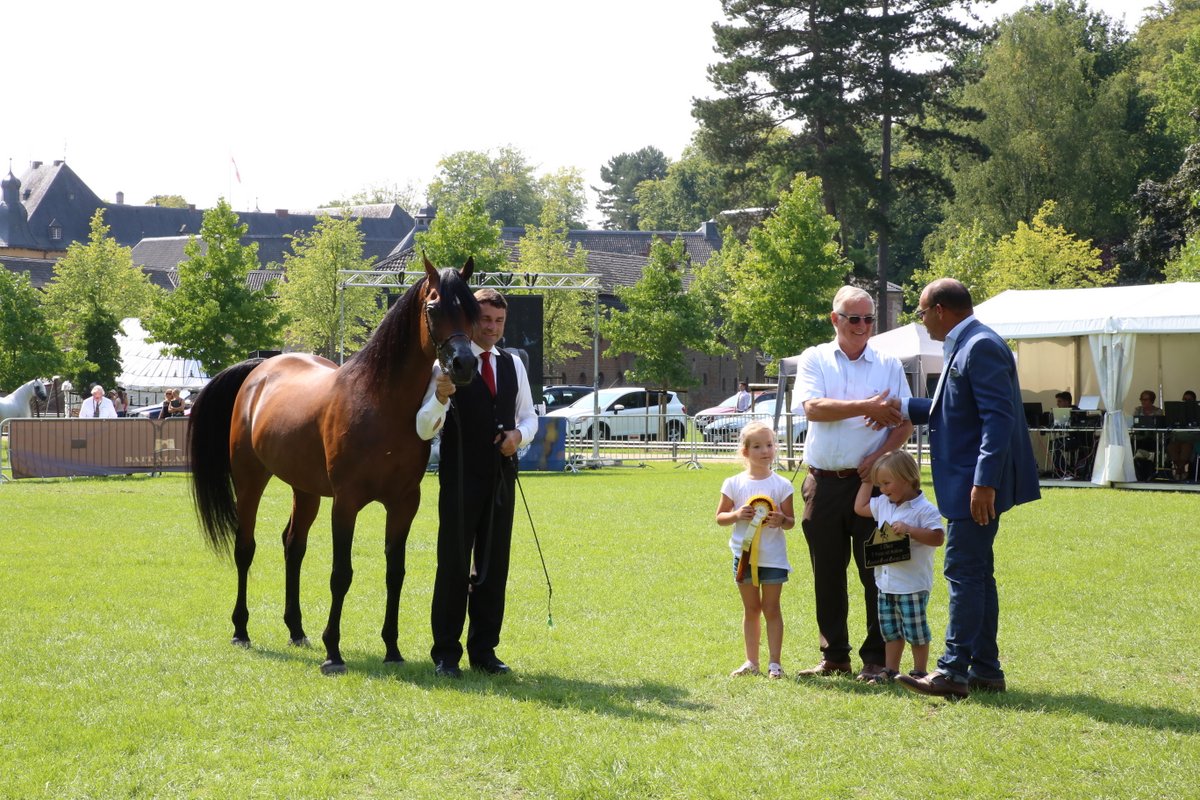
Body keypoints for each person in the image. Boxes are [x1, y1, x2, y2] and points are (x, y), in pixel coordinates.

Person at [893, 278, 1040, 699]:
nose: (920, 321)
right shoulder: (967, 343)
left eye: (921, 312)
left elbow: (998, 420)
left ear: (940, 309)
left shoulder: (981, 346)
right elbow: (950, 411)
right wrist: (899, 407)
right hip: (967, 482)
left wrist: (984, 482)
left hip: (975, 484)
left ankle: (953, 673)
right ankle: (986, 669)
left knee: (963, 571)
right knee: (977, 574)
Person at [792, 285, 913, 683]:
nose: (862, 326)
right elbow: (813, 409)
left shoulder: (889, 363)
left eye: (868, 319)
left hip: (877, 487)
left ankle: (876, 660)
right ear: (835, 319)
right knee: (827, 575)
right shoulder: (815, 359)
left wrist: (878, 459)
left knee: (878, 575)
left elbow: (905, 421)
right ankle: (835, 657)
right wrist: (869, 407)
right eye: (853, 318)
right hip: (823, 484)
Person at [417, 287, 538, 678]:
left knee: (493, 566)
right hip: (459, 477)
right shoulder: (447, 363)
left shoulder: (513, 364)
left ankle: (484, 651)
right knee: (452, 566)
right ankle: (445, 655)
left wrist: (518, 438)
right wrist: (438, 399)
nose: (492, 328)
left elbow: (529, 417)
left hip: (502, 478)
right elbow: (424, 428)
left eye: (499, 321)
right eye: (485, 320)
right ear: (472, 320)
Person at [852, 450, 944, 684]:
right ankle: (890, 670)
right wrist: (866, 481)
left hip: (912, 584)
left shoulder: (924, 509)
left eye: (886, 483)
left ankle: (919, 672)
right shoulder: (884, 503)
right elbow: (860, 507)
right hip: (886, 582)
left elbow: (937, 537)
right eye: (879, 484)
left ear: (907, 478)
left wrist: (910, 530)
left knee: (916, 631)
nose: (882, 489)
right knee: (890, 631)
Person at [715, 421, 796, 679]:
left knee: (772, 609)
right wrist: (737, 514)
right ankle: (751, 661)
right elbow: (720, 517)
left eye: (770, 445)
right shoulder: (733, 483)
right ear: (745, 451)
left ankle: (775, 663)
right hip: (744, 556)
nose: (765, 451)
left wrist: (780, 520)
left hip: (773, 558)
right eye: (758, 446)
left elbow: (791, 522)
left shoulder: (782, 485)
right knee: (751, 610)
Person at [1166, 389, 1199, 481]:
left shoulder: (1197, 412)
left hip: (1192, 439)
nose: (1186, 401)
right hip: (1177, 438)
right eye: (1184, 399)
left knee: (1186, 448)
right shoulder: (1177, 411)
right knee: (1171, 447)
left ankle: (1178, 471)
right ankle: (1182, 470)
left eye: (1189, 400)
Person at [1132, 389, 1164, 480]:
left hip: (1153, 438)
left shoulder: (1158, 411)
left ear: (1152, 400)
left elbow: (1157, 425)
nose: (1143, 401)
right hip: (1138, 437)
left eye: (1145, 399)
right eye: (1141, 399)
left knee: (1147, 442)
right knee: (1131, 443)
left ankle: (1147, 470)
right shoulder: (1137, 410)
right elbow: (1135, 422)